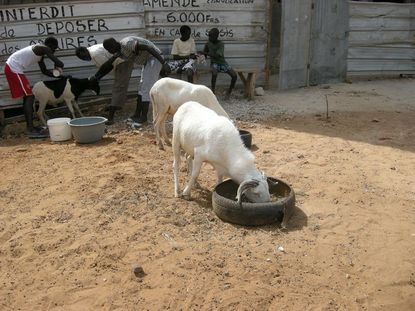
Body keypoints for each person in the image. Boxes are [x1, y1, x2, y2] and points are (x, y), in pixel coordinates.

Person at [92, 36, 170, 125]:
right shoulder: (120, 51)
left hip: (154, 59)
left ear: (114, 45)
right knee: (141, 88)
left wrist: (164, 63)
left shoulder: (126, 44)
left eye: (109, 49)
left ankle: (143, 117)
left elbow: (148, 48)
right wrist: (97, 76)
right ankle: (137, 114)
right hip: (147, 62)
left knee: (146, 88)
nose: (109, 52)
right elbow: (109, 63)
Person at [4, 36, 64, 138]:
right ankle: (30, 129)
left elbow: (44, 71)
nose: (53, 51)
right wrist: (56, 66)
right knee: (29, 96)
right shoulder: (44, 48)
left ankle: (31, 127)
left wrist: (58, 75)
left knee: (29, 96)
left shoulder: (41, 53)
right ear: (50, 45)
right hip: (13, 68)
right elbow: (60, 63)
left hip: (15, 69)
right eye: (54, 48)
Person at [203, 28, 237, 98]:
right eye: (209, 36)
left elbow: (217, 55)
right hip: (214, 63)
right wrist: (201, 56)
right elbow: (205, 55)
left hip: (222, 63)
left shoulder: (221, 44)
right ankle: (213, 92)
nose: (209, 38)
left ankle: (229, 91)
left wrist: (204, 53)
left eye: (211, 36)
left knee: (234, 75)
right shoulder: (208, 44)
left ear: (216, 36)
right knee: (214, 73)